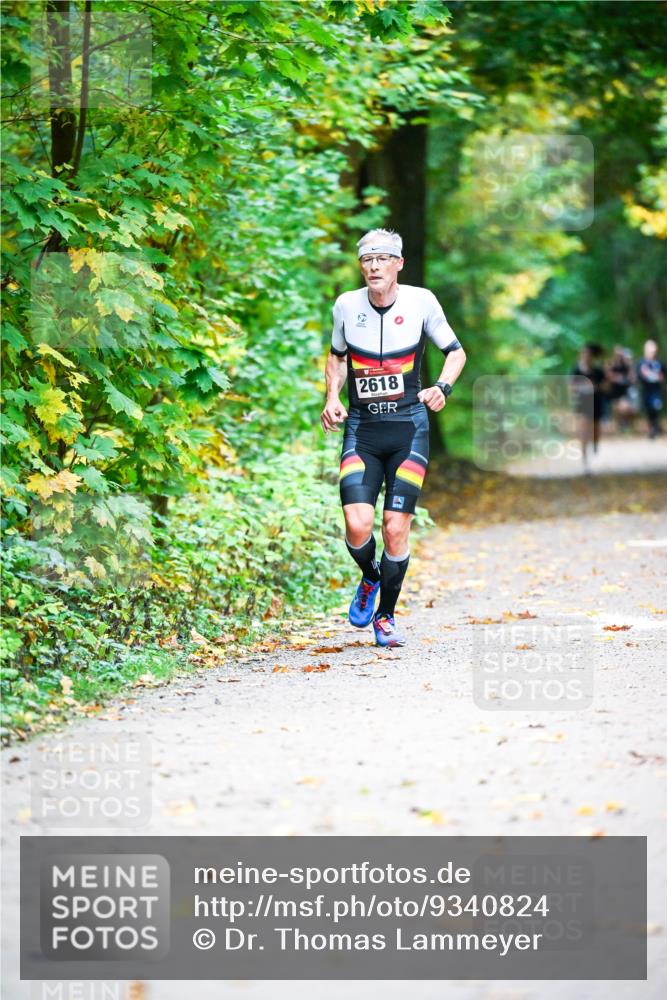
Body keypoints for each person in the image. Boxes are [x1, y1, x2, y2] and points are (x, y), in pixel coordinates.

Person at [320, 229, 466, 647]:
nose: (374, 267)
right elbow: (337, 357)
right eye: (367, 260)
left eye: (383, 259)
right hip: (362, 430)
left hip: (409, 430)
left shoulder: (422, 302)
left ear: (399, 264)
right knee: (357, 525)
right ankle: (370, 576)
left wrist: (442, 387)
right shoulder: (346, 305)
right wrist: (332, 397)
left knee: (395, 528)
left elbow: (456, 352)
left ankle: (385, 616)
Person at [570, 343, 607, 474]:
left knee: (595, 430)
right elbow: (571, 386)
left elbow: (606, 386)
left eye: (589, 354)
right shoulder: (576, 370)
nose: (586, 356)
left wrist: (596, 387)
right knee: (584, 432)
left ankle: (595, 444)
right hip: (582, 404)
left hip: (596, 402)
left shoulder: (598, 371)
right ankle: (585, 461)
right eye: (584, 353)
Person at [636, 339, 665, 439]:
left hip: (656, 391)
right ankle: (651, 429)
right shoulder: (641, 363)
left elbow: (663, 375)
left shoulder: (659, 363)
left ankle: (655, 426)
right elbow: (638, 376)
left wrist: (659, 377)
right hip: (645, 391)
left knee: (656, 408)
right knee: (647, 410)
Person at [606, 345, 637, 432]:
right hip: (613, 393)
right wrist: (616, 377)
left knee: (627, 408)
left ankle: (626, 426)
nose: (619, 356)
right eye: (617, 354)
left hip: (624, 392)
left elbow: (632, 378)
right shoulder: (611, 364)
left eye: (620, 354)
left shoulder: (626, 366)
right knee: (617, 409)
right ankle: (618, 427)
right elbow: (607, 375)